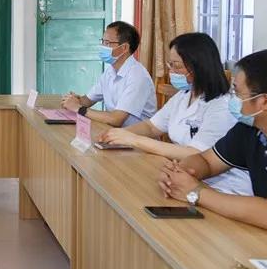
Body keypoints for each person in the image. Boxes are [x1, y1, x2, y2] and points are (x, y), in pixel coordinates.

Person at [158, 50, 267, 248]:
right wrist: (179, 174)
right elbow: (207, 161)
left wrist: (195, 192)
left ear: (264, 101)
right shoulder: (251, 127)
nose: (232, 98)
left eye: (237, 92)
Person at [99, 33, 251, 195]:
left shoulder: (221, 106)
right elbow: (151, 127)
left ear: (197, 66)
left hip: (223, 187)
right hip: (185, 175)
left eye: (176, 66)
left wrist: (135, 140)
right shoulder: (184, 95)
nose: (171, 71)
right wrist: (116, 135)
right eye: (170, 64)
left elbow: (197, 154)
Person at [60, 21, 156, 127]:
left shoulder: (138, 76)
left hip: (136, 139)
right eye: (102, 41)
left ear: (124, 48)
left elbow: (116, 119)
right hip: (116, 133)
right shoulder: (110, 71)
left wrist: (79, 108)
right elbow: (87, 101)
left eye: (107, 43)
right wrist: (74, 100)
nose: (102, 47)